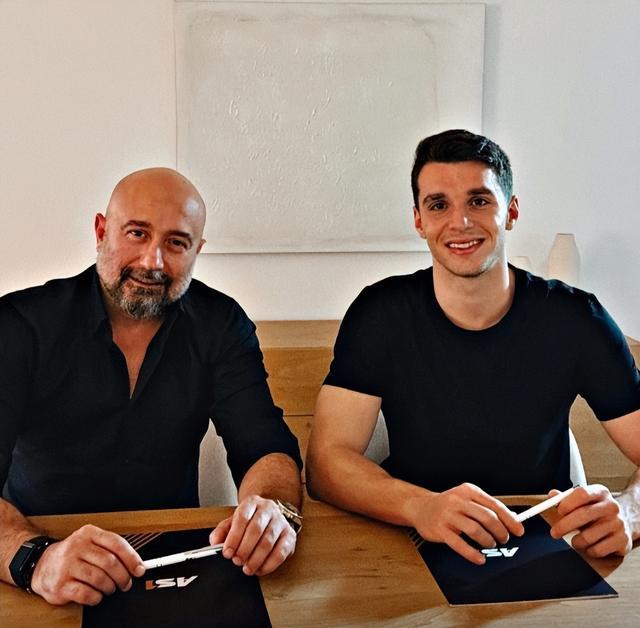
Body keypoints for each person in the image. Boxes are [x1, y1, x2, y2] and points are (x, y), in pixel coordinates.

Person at [306, 129, 640, 566]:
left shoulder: (577, 318)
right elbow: (325, 463)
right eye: (438, 205)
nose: (460, 222)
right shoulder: (380, 313)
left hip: (543, 540)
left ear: (511, 211)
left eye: (479, 201)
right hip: (409, 537)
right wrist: (421, 506)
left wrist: (631, 511)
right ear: (419, 220)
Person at [0, 168, 303, 606]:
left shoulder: (221, 325)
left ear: (197, 251)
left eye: (176, 243)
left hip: (174, 558)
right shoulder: (19, 326)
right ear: (101, 232)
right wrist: (36, 560)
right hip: (39, 556)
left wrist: (273, 512)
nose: (152, 262)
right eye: (137, 233)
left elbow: (264, 445)